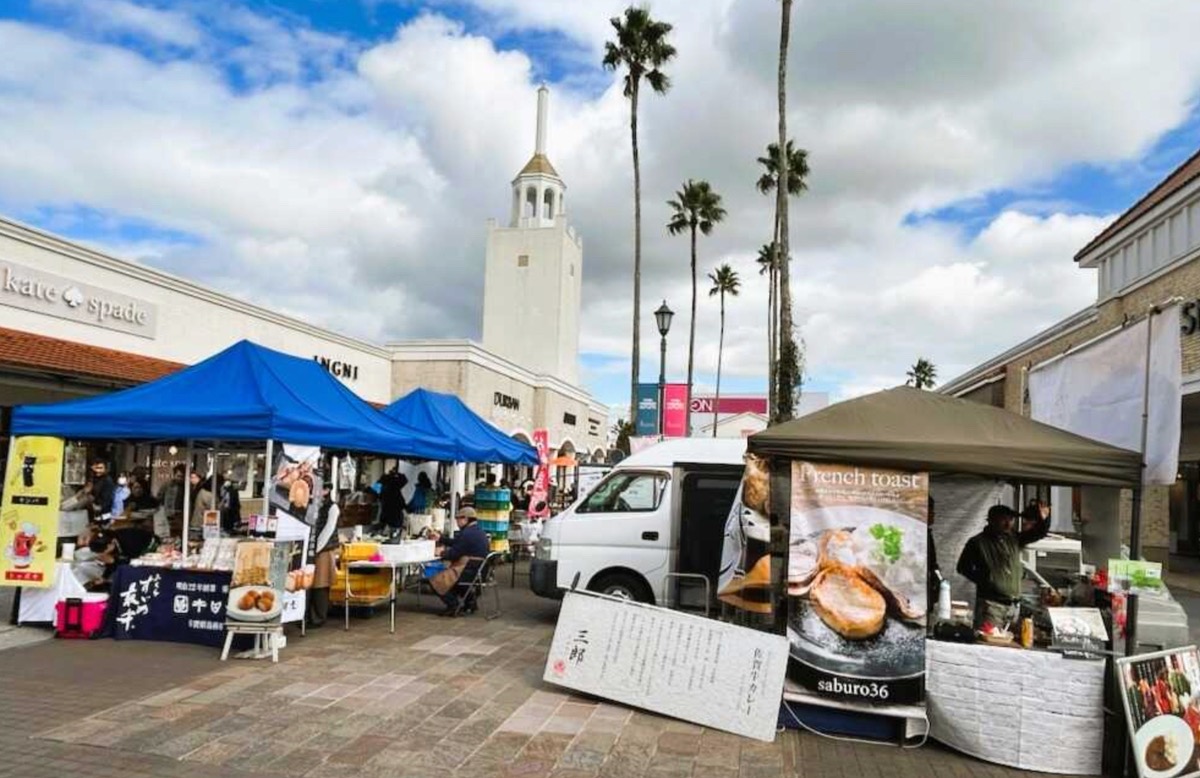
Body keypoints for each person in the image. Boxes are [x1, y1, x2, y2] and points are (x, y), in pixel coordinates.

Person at [956, 504, 1049, 631]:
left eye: (1010, 520)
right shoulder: (977, 542)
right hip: (991, 606)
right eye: (1003, 519)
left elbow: (1039, 532)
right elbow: (962, 567)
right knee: (988, 643)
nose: (1008, 524)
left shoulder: (1014, 538)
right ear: (992, 520)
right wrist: (987, 581)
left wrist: (1042, 517)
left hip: (1013, 606)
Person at [429, 507, 489, 616]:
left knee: (435, 581)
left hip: (466, 571)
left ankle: (453, 605)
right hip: (478, 571)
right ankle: (470, 602)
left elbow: (453, 554)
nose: (457, 522)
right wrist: (441, 539)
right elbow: (457, 543)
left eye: (458, 519)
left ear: (465, 519)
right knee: (457, 584)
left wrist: (440, 553)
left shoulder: (467, 534)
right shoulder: (479, 532)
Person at [308, 482, 340, 628]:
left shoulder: (332, 507)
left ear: (327, 490)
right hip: (312, 547)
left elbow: (328, 529)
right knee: (310, 583)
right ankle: (309, 616)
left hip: (324, 549)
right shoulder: (313, 505)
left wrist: (316, 548)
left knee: (320, 584)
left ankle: (319, 617)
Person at [927, 496, 940, 614]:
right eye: (931, 511)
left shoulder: (927, 534)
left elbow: (932, 562)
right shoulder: (919, 535)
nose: (933, 515)